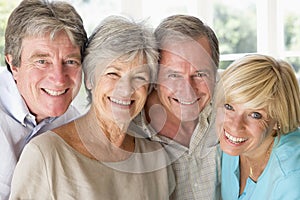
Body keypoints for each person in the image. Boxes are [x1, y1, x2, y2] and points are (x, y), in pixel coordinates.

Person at [9, 16, 175, 199]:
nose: (126, 89)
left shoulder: (157, 159)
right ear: (89, 79)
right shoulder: (45, 155)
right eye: (113, 73)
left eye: (139, 78)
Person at [0, 0, 87, 199]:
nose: (58, 78)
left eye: (70, 61)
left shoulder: (74, 125)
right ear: (14, 65)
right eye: (42, 61)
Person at [133, 14, 221, 199]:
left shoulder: (229, 109)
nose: (188, 90)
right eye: (174, 75)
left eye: (200, 74)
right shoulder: (130, 131)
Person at [215, 54, 300, 199]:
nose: (235, 126)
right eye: (229, 107)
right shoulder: (232, 145)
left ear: (278, 120)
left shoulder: (292, 177)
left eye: (255, 115)